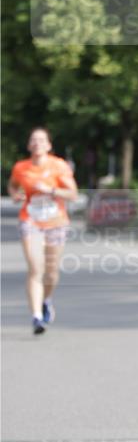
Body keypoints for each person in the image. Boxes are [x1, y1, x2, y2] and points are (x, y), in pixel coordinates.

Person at [8, 127, 78, 335]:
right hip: (30, 220)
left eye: (41, 140)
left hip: (56, 222)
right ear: (29, 145)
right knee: (35, 269)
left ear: (48, 145)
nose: (37, 143)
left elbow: (73, 194)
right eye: (33, 140)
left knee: (51, 272)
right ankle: (37, 316)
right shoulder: (21, 167)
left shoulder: (59, 166)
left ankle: (46, 300)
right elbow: (12, 186)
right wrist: (15, 195)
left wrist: (51, 190)